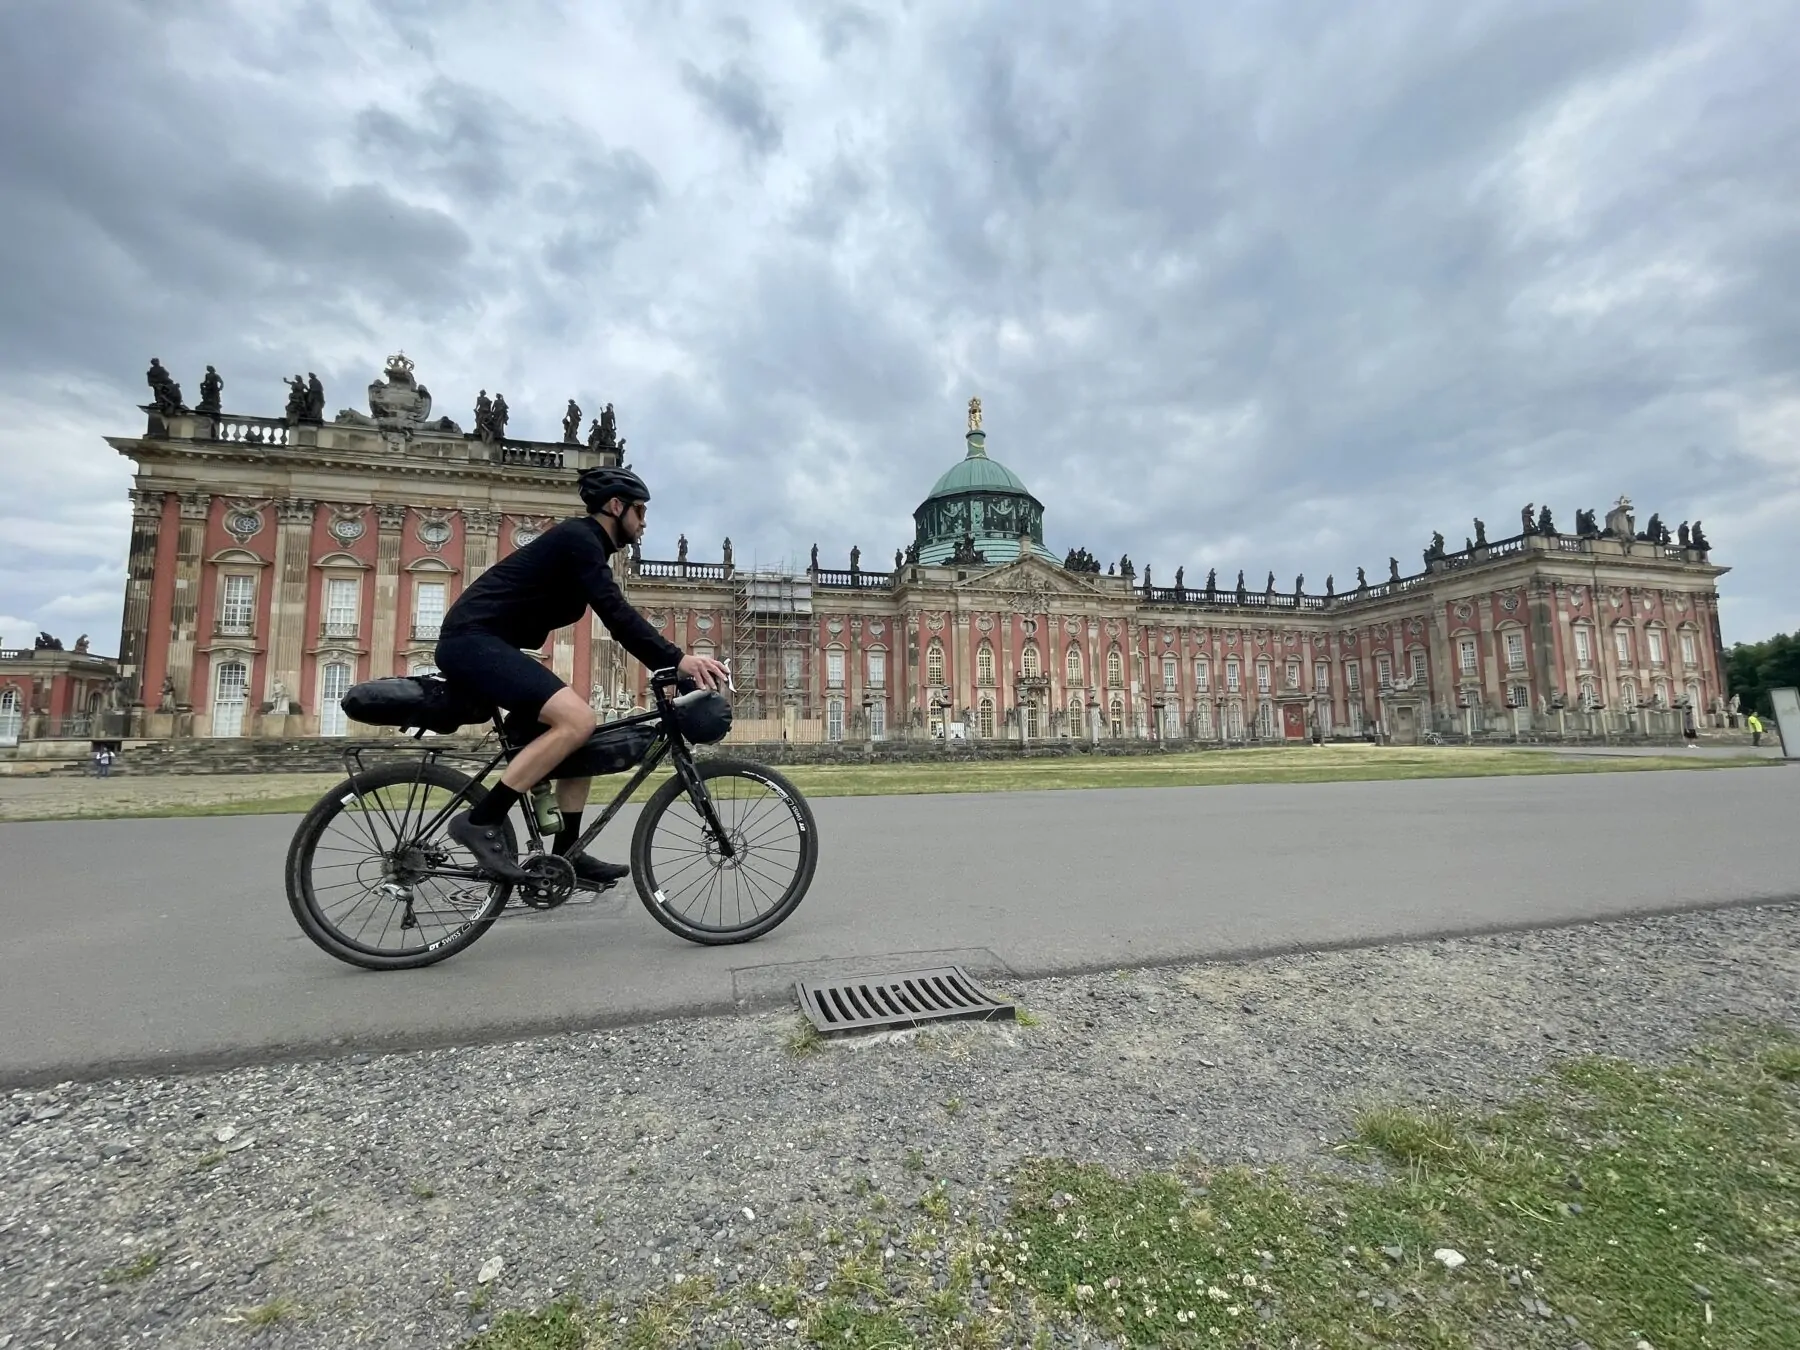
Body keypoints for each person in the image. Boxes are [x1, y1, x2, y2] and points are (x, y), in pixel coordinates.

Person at [434, 465, 729, 886]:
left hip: (488, 645)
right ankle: (481, 820)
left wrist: (670, 663)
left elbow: (616, 617)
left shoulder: (587, 548)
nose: (644, 523)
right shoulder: (579, 539)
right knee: (578, 720)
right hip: (472, 641)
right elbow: (617, 615)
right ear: (615, 506)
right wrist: (679, 659)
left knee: (581, 736)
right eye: (640, 512)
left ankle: (567, 852)